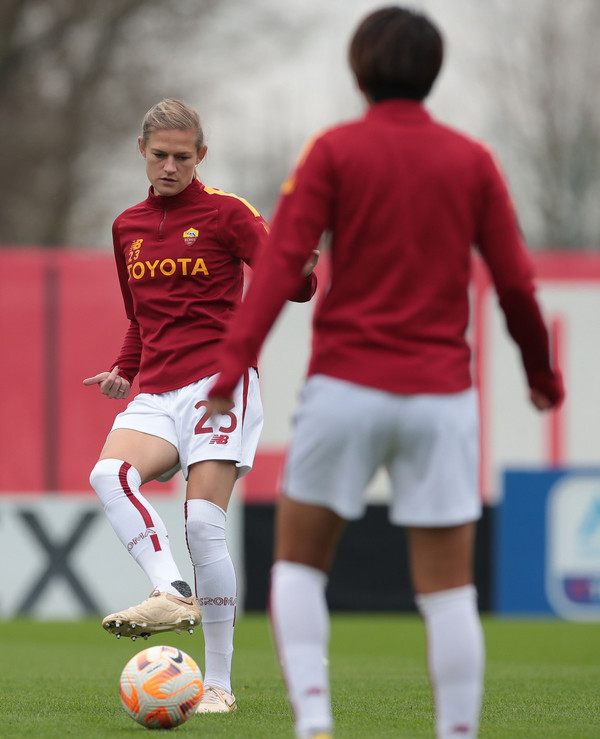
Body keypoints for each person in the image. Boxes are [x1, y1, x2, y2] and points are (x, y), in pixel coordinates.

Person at [205, 6, 564, 739]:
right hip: (440, 398)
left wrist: (231, 363)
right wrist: (541, 373)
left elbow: (280, 266)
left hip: (345, 388)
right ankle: (457, 731)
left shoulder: (333, 151)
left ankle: (314, 721)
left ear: (358, 68)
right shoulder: (472, 160)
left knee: (299, 566)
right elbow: (516, 283)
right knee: (449, 590)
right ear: (434, 71)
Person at [83, 98, 317, 715]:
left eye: (182, 157)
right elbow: (140, 317)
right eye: (160, 155)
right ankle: (171, 588)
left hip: (219, 381)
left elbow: (289, 283)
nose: (170, 166)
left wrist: (302, 273)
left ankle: (218, 685)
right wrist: (123, 370)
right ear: (142, 151)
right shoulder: (127, 227)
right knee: (109, 474)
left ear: (201, 156)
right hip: (158, 389)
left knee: (202, 525)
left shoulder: (227, 213)